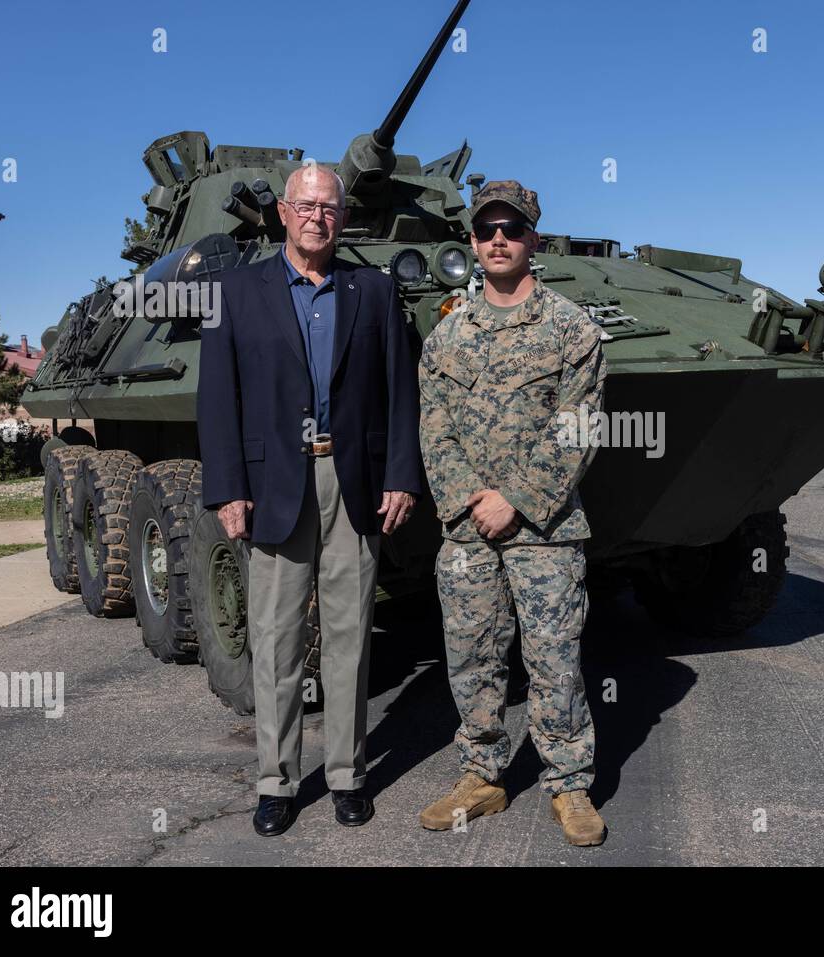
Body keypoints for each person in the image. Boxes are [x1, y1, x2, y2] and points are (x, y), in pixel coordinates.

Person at [197, 164, 421, 837]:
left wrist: (402, 474)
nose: (318, 215)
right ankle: (277, 779)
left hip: (350, 481)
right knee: (275, 638)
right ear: (284, 213)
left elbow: (399, 391)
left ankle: (349, 773)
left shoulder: (373, 291)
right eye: (306, 204)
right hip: (272, 489)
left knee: (350, 639)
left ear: (341, 216)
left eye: (329, 206)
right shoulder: (236, 292)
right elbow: (217, 402)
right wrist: (227, 487)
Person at [417, 180, 609, 846]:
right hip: (467, 529)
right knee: (471, 655)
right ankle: (482, 775)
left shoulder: (571, 328)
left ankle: (569, 781)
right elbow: (433, 427)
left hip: (546, 530)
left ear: (533, 238)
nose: (498, 238)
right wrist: (473, 497)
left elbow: (579, 425)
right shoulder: (447, 334)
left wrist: (517, 500)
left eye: (512, 227)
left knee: (554, 656)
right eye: (486, 229)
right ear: (472, 241)